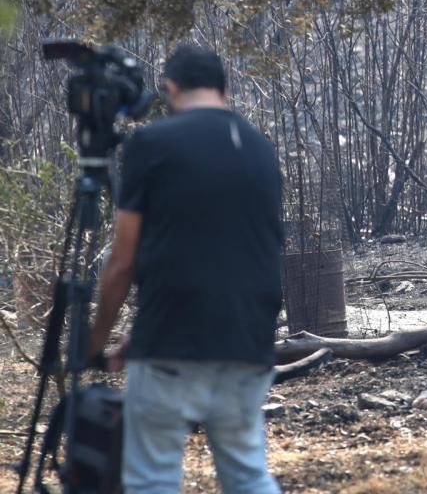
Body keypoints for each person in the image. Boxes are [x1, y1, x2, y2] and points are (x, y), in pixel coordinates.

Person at [89, 45, 284, 494]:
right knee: (248, 474)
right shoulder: (260, 149)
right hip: (248, 344)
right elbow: (232, 253)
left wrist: (95, 341)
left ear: (171, 88)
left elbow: (122, 261)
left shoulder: (151, 143)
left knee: (153, 477)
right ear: (225, 90)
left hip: (171, 345)